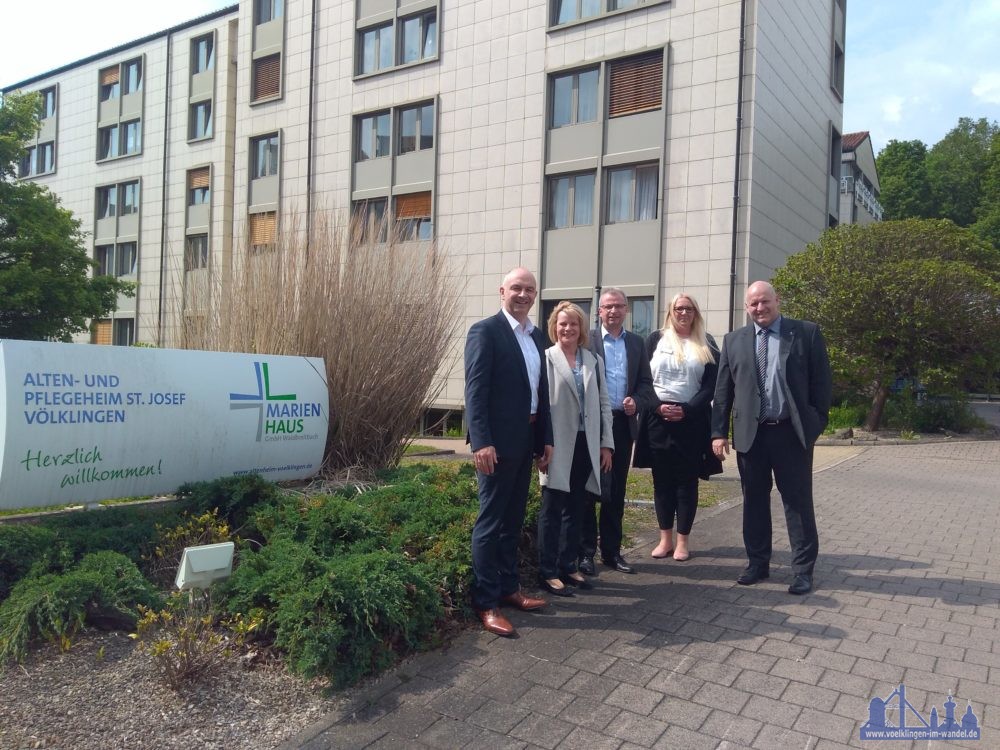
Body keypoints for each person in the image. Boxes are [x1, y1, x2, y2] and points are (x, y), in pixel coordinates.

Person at [711, 281, 832, 595]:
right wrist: (718, 431)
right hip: (752, 436)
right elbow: (723, 392)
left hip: (791, 435)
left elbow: (822, 384)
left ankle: (803, 571)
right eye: (753, 304)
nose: (759, 308)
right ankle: (757, 564)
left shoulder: (806, 332)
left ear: (777, 300)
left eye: (764, 302)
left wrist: (815, 423)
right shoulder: (733, 340)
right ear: (746, 307)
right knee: (754, 503)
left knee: (797, 503)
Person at [465, 267, 554, 636]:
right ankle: (486, 604)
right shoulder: (485, 331)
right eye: (516, 288)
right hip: (496, 446)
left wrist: (545, 439)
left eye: (529, 289)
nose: (523, 294)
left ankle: (509, 589)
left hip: (526, 440)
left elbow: (541, 395)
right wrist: (481, 440)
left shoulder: (536, 338)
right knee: (490, 523)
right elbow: (475, 390)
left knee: (513, 520)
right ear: (502, 291)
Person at [634, 293, 719, 561]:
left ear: (696, 312)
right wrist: (657, 406)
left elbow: (711, 386)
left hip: (691, 422)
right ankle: (664, 539)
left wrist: (688, 409)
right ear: (670, 311)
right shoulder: (654, 340)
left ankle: (682, 542)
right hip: (657, 420)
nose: (684, 313)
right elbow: (643, 379)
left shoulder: (707, 343)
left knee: (686, 483)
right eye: (678, 308)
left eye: (689, 308)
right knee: (662, 482)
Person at [537, 302, 614, 596]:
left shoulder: (592, 359)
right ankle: (548, 571)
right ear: (554, 326)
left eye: (573, 324)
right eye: (562, 323)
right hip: (556, 444)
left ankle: (568, 566)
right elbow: (540, 406)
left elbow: (604, 403)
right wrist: (539, 447)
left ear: (582, 328)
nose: (567, 329)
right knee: (552, 507)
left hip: (587, 444)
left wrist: (606, 443)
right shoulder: (546, 359)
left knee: (577, 508)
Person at [580, 287, 657, 575]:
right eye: (607, 306)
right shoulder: (586, 339)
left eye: (619, 306)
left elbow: (648, 388)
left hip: (622, 426)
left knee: (617, 492)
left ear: (627, 310)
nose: (613, 311)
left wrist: (636, 401)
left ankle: (612, 552)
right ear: (599, 311)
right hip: (590, 426)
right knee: (588, 489)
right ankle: (585, 553)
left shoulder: (637, 344)